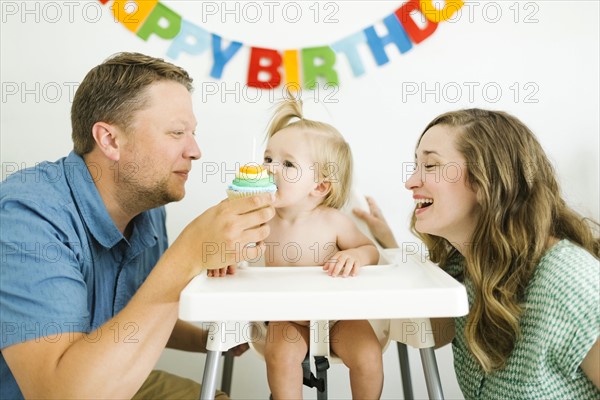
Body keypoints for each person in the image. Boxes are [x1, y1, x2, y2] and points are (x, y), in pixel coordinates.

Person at [0, 52, 275, 399]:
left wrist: (211, 337)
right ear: (111, 140)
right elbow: (59, 392)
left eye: (192, 133)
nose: (195, 150)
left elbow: (138, 312)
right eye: (177, 132)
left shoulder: (147, 211)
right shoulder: (28, 215)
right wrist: (187, 255)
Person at [353, 108, 600, 399]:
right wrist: (384, 247)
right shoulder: (466, 270)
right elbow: (421, 330)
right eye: (416, 165)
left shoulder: (569, 280)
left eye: (431, 166)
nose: (410, 182)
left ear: (486, 181)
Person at [211, 98, 383, 399]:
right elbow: (239, 252)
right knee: (279, 356)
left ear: (319, 187)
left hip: (340, 316)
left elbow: (371, 250)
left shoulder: (334, 222)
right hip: (286, 315)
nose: (270, 169)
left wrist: (355, 255)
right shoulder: (261, 219)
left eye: (287, 164)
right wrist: (228, 260)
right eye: (267, 159)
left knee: (368, 356)